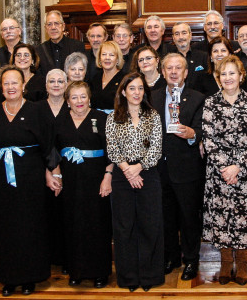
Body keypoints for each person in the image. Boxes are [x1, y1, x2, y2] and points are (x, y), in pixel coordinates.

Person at [0, 66, 57, 297]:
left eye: (15, 83)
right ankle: (8, 278)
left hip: (31, 180)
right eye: (6, 83)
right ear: (1, 86)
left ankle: (31, 277)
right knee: (4, 229)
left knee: (31, 227)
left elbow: (48, 145)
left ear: (23, 86)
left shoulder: (37, 111)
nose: (11, 87)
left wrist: (52, 172)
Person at [202, 55, 247, 285]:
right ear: (218, 78)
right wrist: (225, 167)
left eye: (232, 73)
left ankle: (243, 264)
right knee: (221, 219)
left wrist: (238, 166)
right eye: (223, 74)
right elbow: (208, 139)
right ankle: (226, 263)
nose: (228, 77)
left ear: (241, 76)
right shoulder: (210, 103)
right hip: (218, 173)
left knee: (244, 218)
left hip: (245, 172)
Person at [106, 72, 165, 292]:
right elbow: (112, 148)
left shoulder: (153, 115)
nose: (137, 93)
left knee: (150, 226)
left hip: (148, 174)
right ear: (123, 91)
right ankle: (129, 277)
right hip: (122, 177)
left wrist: (138, 168)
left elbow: (156, 149)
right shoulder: (113, 117)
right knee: (124, 227)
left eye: (140, 88)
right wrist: (127, 170)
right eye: (132, 88)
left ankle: (150, 275)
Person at [53, 81, 113, 288]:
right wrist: (55, 173)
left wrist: (108, 176)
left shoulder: (102, 118)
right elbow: (52, 150)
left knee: (97, 224)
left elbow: (112, 151)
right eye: (74, 97)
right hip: (69, 180)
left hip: (96, 179)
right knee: (72, 223)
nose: (79, 101)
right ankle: (76, 270)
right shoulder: (59, 121)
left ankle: (99, 271)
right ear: (67, 100)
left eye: (83, 97)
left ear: (89, 98)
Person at [151, 53, 205, 281]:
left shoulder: (198, 98)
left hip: (187, 168)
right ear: (163, 72)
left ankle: (191, 260)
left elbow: (203, 128)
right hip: (159, 169)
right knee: (165, 217)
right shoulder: (151, 98)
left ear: (186, 72)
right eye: (169, 68)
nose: (173, 72)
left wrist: (193, 134)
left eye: (178, 68)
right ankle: (170, 257)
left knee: (189, 218)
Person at [43, 68, 69, 269]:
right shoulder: (35, 109)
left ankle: (66, 256)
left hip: (70, 169)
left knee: (66, 214)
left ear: (67, 85)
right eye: (52, 81)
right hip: (42, 170)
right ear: (46, 85)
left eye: (60, 81)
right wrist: (49, 169)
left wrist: (59, 170)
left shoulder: (74, 108)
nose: (56, 84)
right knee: (46, 213)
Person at [89, 40, 125, 112]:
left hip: (117, 120)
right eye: (104, 54)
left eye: (111, 55)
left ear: (117, 59)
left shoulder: (124, 79)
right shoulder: (95, 78)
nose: (107, 58)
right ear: (99, 58)